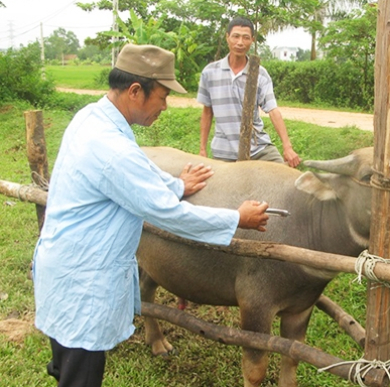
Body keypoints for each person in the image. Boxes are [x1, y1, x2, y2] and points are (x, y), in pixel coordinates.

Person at [32, 43, 270, 387]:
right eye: (162, 96)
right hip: (83, 281)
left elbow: (134, 170)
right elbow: (167, 213)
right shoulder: (110, 147)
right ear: (135, 91)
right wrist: (236, 219)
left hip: (64, 268)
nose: (164, 106)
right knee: (80, 376)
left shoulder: (93, 118)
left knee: (65, 364)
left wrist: (174, 182)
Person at [197, 17, 301, 168]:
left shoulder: (260, 73)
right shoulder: (210, 73)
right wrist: (202, 150)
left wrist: (287, 147)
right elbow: (207, 112)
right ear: (227, 38)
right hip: (224, 152)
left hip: (258, 149)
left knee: (285, 177)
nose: (240, 42)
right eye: (236, 36)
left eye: (245, 38)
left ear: (252, 40)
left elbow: (273, 110)